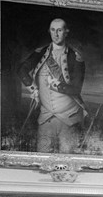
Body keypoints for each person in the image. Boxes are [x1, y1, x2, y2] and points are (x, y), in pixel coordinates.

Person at [18, 18, 86, 154]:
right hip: (45, 117)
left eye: (59, 30)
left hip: (69, 118)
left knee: (67, 159)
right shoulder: (41, 53)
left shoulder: (75, 57)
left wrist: (57, 85)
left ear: (66, 32)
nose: (56, 34)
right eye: (53, 30)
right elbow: (22, 70)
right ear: (49, 31)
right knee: (42, 157)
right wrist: (33, 88)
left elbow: (76, 89)